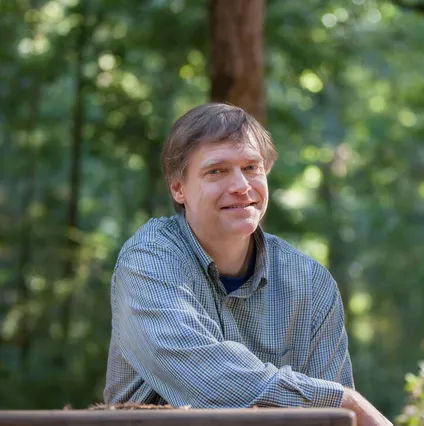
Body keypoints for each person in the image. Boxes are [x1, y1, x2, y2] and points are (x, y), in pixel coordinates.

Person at [104, 102, 392, 426]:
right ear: (178, 188)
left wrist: (332, 403)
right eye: (217, 171)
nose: (241, 186)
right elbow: (204, 378)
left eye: (251, 167)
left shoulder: (311, 283)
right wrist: (339, 399)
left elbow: (331, 422)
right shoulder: (149, 262)